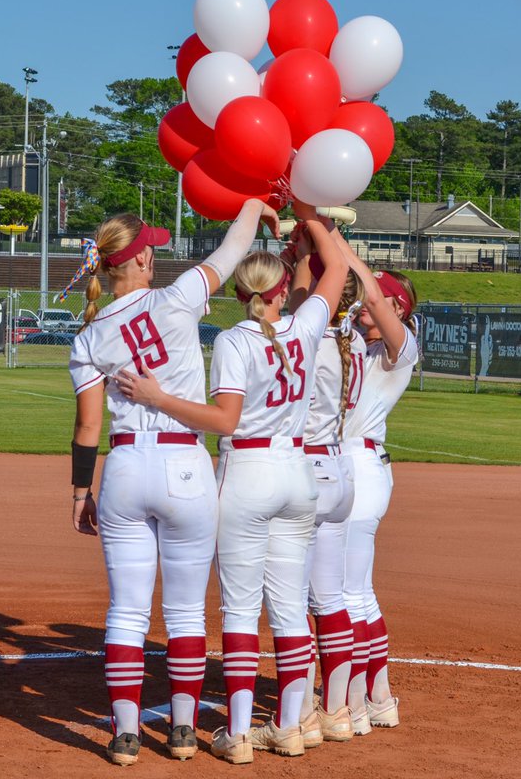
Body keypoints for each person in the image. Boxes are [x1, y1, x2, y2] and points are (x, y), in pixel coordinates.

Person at [117, 212, 347, 764]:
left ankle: (239, 734)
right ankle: (289, 726)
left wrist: (158, 399)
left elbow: (225, 419)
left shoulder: (231, 341)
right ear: (281, 290)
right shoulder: (306, 326)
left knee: (241, 612)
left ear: (240, 293)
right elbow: (337, 267)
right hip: (298, 473)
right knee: (289, 609)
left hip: (248, 471)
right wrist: (312, 220)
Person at [63, 199, 278, 766]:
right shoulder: (178, 296)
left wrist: (81, 492)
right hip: (185, 464)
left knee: (126, 612)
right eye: (151, 249)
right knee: (185, 613)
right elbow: (233, 249)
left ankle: (125, 736)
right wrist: (255, 206)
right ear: (141, 260)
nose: (155, 255)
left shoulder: (88, 337)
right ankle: (183, 731)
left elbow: (88, 427)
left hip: (125, 467)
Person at [283, 210, 367, 748]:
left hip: (307, 469)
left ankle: (300, 716)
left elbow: (299, 303)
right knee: (331, 600)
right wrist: (311, 247)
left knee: (292, 602)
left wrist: (300, 255)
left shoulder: (310, 336)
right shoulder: (352, 338)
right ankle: (337, 711)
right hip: (340, 468)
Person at [331, 230, 419, 732]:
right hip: (343, 465)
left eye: (379, 297)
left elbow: (367, 292)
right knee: (355, 591)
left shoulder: (399, 349)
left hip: (362, 469)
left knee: (347, 593)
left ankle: (355, 704)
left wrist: (333, 231)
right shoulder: (353, 342)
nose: (367, 301)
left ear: (397, 308)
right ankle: (378, 696)